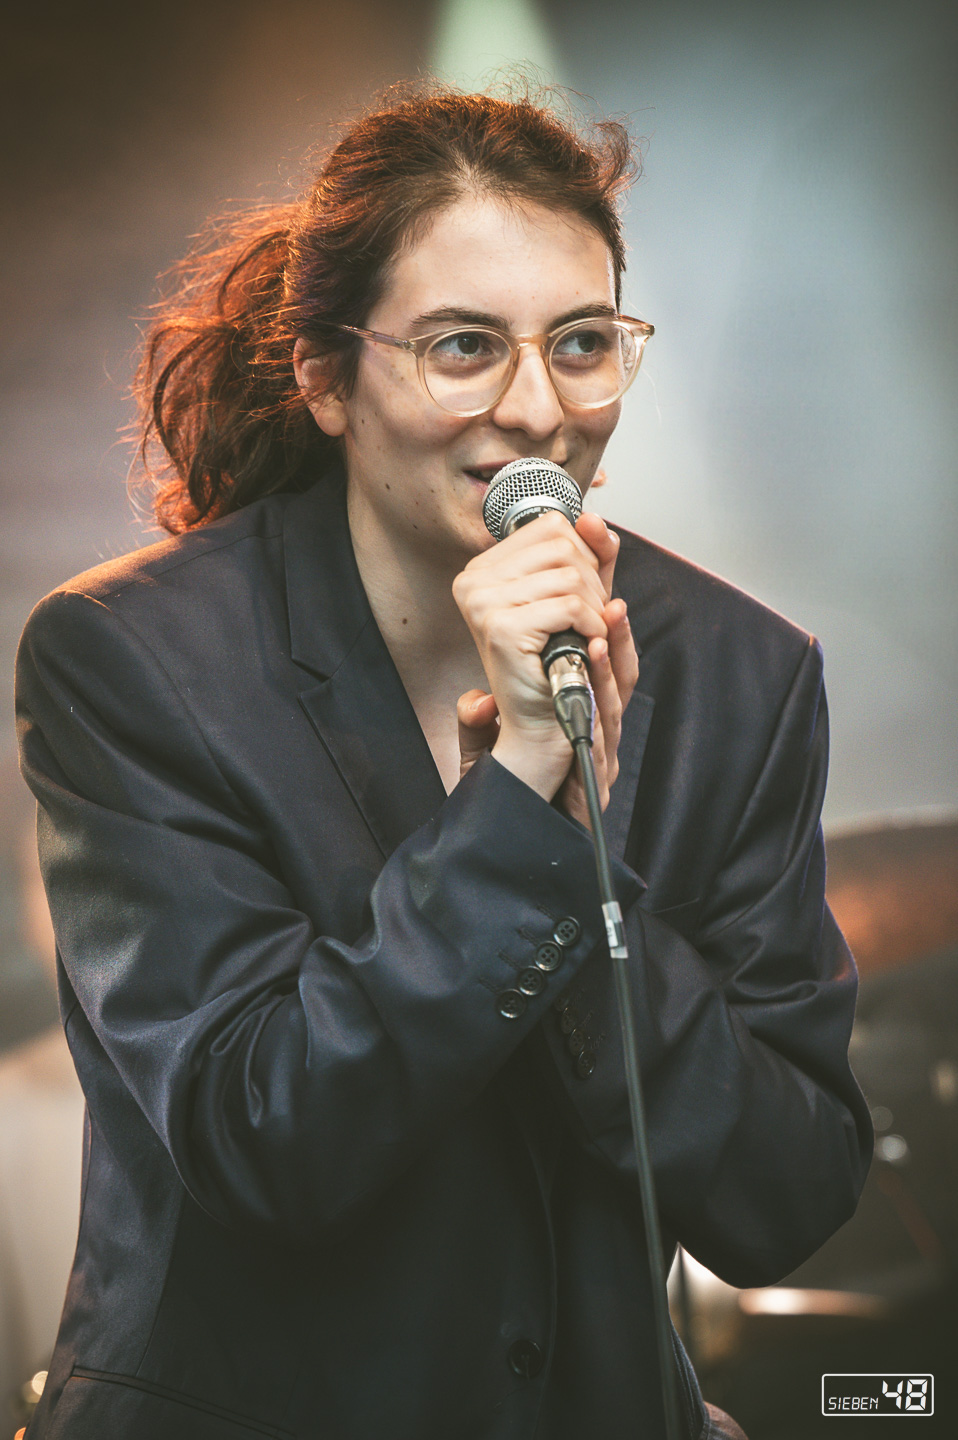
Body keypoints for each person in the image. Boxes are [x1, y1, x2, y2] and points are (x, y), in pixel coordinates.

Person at [15, 86, 871, 1439]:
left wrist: (575, 843)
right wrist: (515, 798)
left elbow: (786, 1196)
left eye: (581, 344)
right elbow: (266, 1142)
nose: (538, 410)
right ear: (326, 380)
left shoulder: (737, 674)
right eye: (464, 346)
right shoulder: (134, 656)